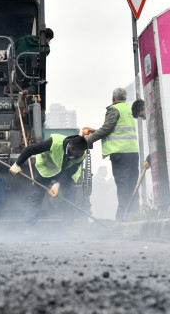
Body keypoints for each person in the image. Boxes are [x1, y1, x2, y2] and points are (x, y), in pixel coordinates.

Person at [8, 134, 88, 227]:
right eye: (78, 153)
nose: (80, 155)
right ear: (70, 148)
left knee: (70, 195)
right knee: (37, 196)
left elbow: (72, 169)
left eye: (81, 153)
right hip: (46, 169)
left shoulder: (82, 152)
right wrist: (18, 164)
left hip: (65, 172)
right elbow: (30, 149)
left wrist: (58, 184)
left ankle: (68, 226)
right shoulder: (53, 143)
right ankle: (30, 226)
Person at [84, 88, 139, 221]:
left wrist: (89, 139)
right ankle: (135, 213)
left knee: (122, 182)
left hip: (119, 152)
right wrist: (96, 130)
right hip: (132, 151)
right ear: (125, 98)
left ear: (113, 98)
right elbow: (116, 130)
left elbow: (107, 129)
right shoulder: (128, 109)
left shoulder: (114, 109)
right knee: (132, 182)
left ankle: (123, 214)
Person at [14, 28, 53, 94]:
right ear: (48, 39)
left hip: (13, 66)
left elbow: (12, 48)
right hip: (28, 70)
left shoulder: (24, 39)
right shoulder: (45, 48)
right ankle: (27, 92)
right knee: (39, 84)